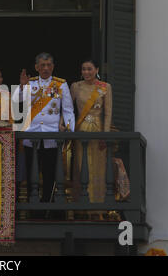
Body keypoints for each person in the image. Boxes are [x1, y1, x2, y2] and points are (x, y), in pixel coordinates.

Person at [13, 53, 75, 204]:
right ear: (36, 67)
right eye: (42, 65)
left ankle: (47, 206)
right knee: (30, 172)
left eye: (48, 65)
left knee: (49, 173)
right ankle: (31, 205)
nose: (45, 68)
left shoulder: (61, 85)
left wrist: (67, 129)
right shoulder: (30, 83)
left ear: (53, 67)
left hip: (52, 135)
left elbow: (67, 110)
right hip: (31, 134)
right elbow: (16, 100)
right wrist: (21, 86)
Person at [70, 59, 112, 219]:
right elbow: (68, 109)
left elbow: (108, 113)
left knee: (98, 170)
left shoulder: (105, 87)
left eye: (89, 69)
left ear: (96, 70)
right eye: (83, 69)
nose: (86, 72)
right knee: (82, 168)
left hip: (97, 131)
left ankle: (97, 209)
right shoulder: (76, 86)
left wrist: (105, 135)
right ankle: (81, 209)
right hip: (81, 130)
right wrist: (65, 125)